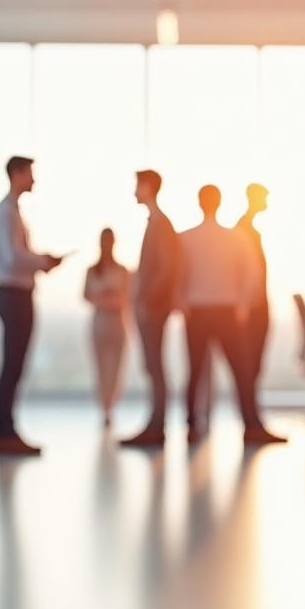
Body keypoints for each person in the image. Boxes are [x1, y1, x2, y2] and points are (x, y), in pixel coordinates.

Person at [179, 184, 285, 447]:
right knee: (241, 371)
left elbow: (178, 275)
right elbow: (252, 273)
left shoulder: (187, 237)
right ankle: (251, 425)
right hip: (227, 312)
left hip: (199, 312)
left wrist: (182, 302)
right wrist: (244, 304)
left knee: (196, 370)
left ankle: (193, 425)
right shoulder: (236, 237)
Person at [0, 156, 63, 457]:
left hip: (19, 293)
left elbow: (18, 255)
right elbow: (12, 258)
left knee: (15, 365)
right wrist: (41, 261)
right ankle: (5, 434)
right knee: (11, 366)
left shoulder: (13, 212)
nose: (33, 179)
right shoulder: (6, 213)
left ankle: (8, 431)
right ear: (16, 174)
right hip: (14, 295)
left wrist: (40, 262)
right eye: (30, 173)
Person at [120, 169, 181, 449]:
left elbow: (167, 269)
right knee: (152, 365)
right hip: (150, 306)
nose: (134, 190)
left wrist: (147, 299)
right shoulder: (156, 223)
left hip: (153, 309)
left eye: (137, 185)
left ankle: (157, 426)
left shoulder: (160, 223)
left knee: (154, 365)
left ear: (147, 187)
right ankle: (155, 423)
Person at [84, 228, 131, 427]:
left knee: (116, 368)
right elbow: (86, 295)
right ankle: (104, 407)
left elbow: (129, 296)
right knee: (101, 367)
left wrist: (112, 298)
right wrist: (103, 298)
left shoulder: (122, 271)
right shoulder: (92, 270)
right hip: (99, 321)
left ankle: (111, 407)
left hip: (118, 320)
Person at [235, 182, 271, 398]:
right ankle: (251, 419)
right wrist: (246, 306)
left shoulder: (249, 228)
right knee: (249, 364)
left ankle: (252, 417)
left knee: (253, 365)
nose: (266, 202)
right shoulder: (244, 229)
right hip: (252, 309)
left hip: (256, 305)